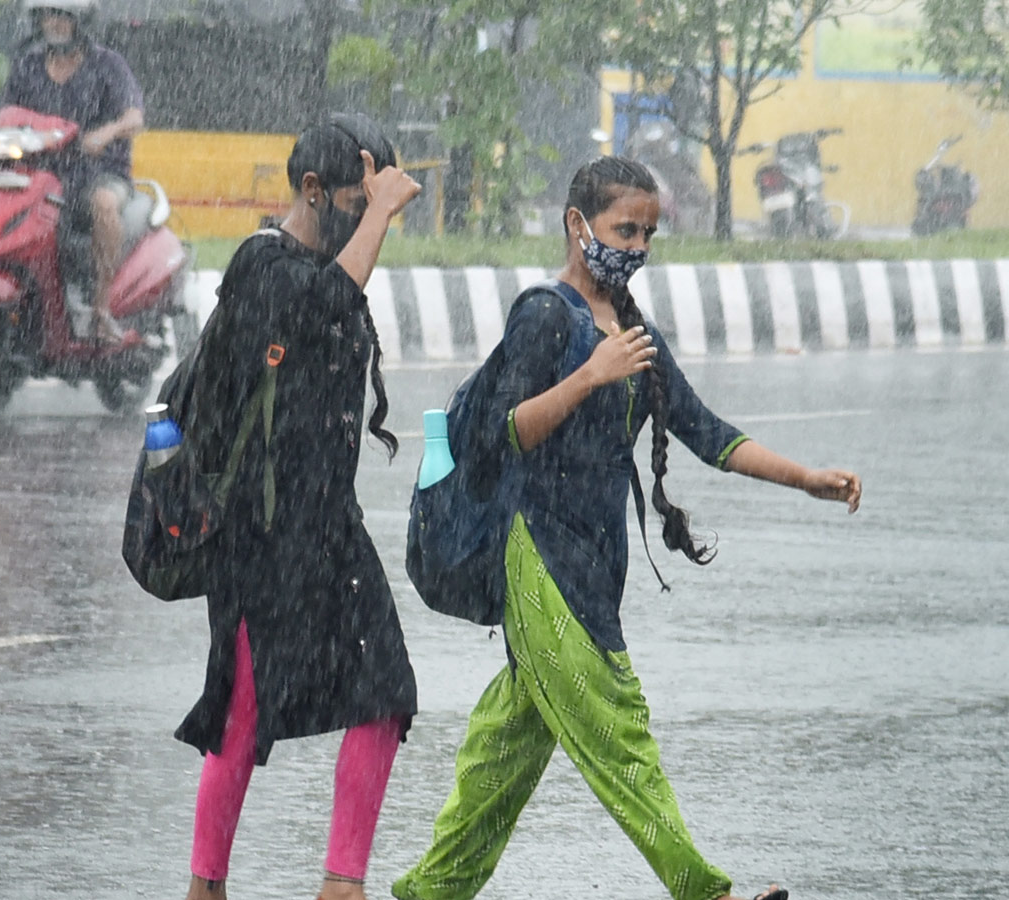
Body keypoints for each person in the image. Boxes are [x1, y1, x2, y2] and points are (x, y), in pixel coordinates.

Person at [392, 156, 863, 900]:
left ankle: (429, 891)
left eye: (648, 232)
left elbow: (706, 431)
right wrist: (589, 376)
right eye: (624, 229)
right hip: (537, 553)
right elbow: (501, 435)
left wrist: (807, 479)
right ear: (578, 225)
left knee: (503, 757)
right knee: (618, 727)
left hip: (595, 559)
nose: (638, 246)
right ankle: (706, 892)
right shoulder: (546, 315)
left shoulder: (632, 329)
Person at [170, 113, 422, 900]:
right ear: (313, 190)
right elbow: (320, 305)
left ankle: (341, 884)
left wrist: (373, 211)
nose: (368, 211)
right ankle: (205, 886)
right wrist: (378, 216)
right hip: (257, 533)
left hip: (326, 524)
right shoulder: (260, 265)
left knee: (386, 691)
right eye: (356, 196)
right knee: (242, 714)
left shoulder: (327, 268)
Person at [0, 0, 144, 343]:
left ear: (81, 21)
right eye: (48, 14)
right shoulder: (28, 66)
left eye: (64, 15)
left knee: (103, 205)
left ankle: (100, 311)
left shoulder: (108, 65)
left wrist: (105, 133)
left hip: (97, 173)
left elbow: (134, 117)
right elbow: (4, 115)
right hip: (40, 175)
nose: (55, 22)